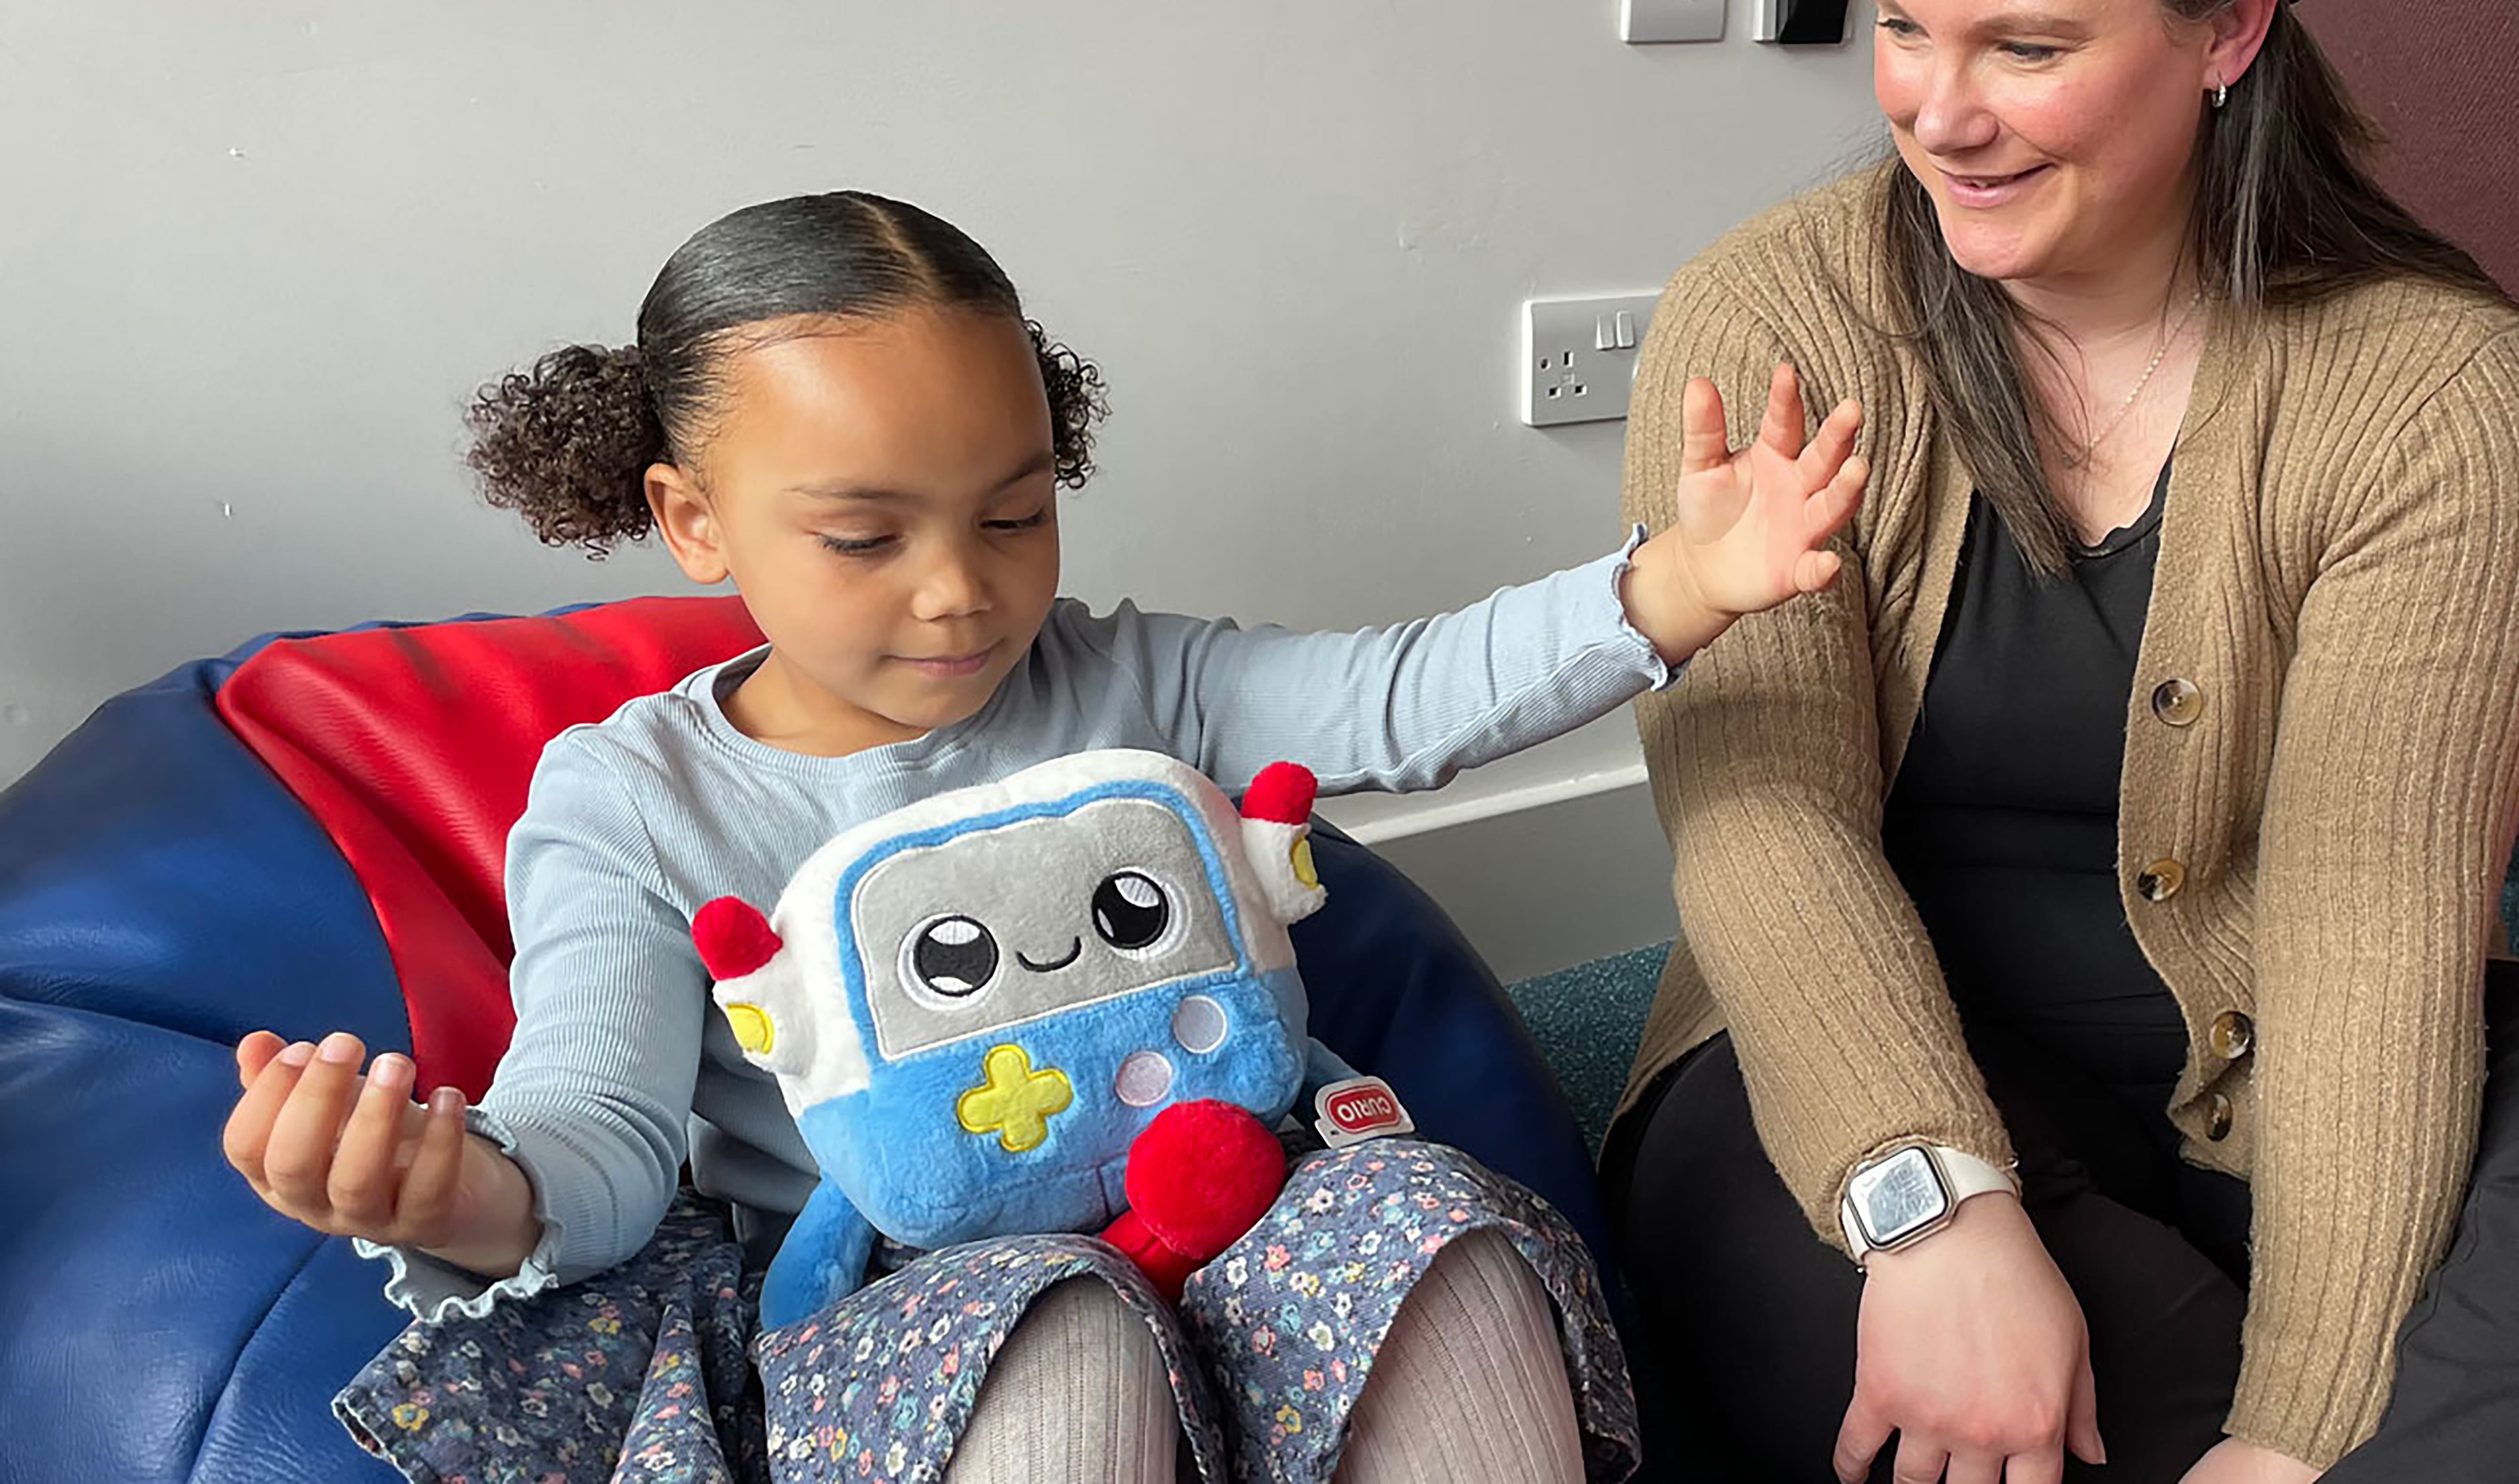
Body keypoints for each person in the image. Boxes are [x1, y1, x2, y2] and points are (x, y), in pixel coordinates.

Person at [1600, 0, 2519, 1481]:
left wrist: (2292, 1438)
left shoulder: (2429, 387)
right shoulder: (1774, 322)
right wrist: (1933, 1213)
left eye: (2025, 46)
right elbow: (1763, 831)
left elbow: (2374, 924)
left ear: (2228, 23)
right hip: (1854, 1042)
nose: (1935, 112)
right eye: (1901, 27)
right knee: (1924, 1334)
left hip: (2275, 1033)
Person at [217, 188, 1869, 1484]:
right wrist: (455, 1194)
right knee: (1053, 1330)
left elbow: (1393, 692)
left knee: (1441, 1242)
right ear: (691, 518)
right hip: (885, 1296)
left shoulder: (1129, 678)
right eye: (865, 537)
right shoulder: (632, 799)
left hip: (1221, 1202)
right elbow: (598, 1135)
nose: (962, 588)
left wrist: (1673, 588)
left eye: (1016, 513)